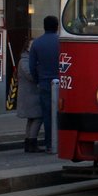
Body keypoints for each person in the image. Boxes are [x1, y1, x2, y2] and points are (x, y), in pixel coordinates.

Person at [30, 15, 60, 153]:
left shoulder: (37, 43)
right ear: (57, 26)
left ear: (44, 26)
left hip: (44, 82)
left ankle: (49, 143)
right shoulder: (61, 41)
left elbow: (32, 66)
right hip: (62, 82)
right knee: (61, 113)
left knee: (47, 115)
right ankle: (60, 142)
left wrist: (37, 79)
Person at [15, 39, 43, 152]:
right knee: (37, 117)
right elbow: (30, 75)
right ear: (27, 47)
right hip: (30, 94)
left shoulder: (29, 59)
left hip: (31, 94)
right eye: (32, 45)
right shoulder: (25, 61)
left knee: (32, 119)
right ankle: (32, 141)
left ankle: (29, 142)